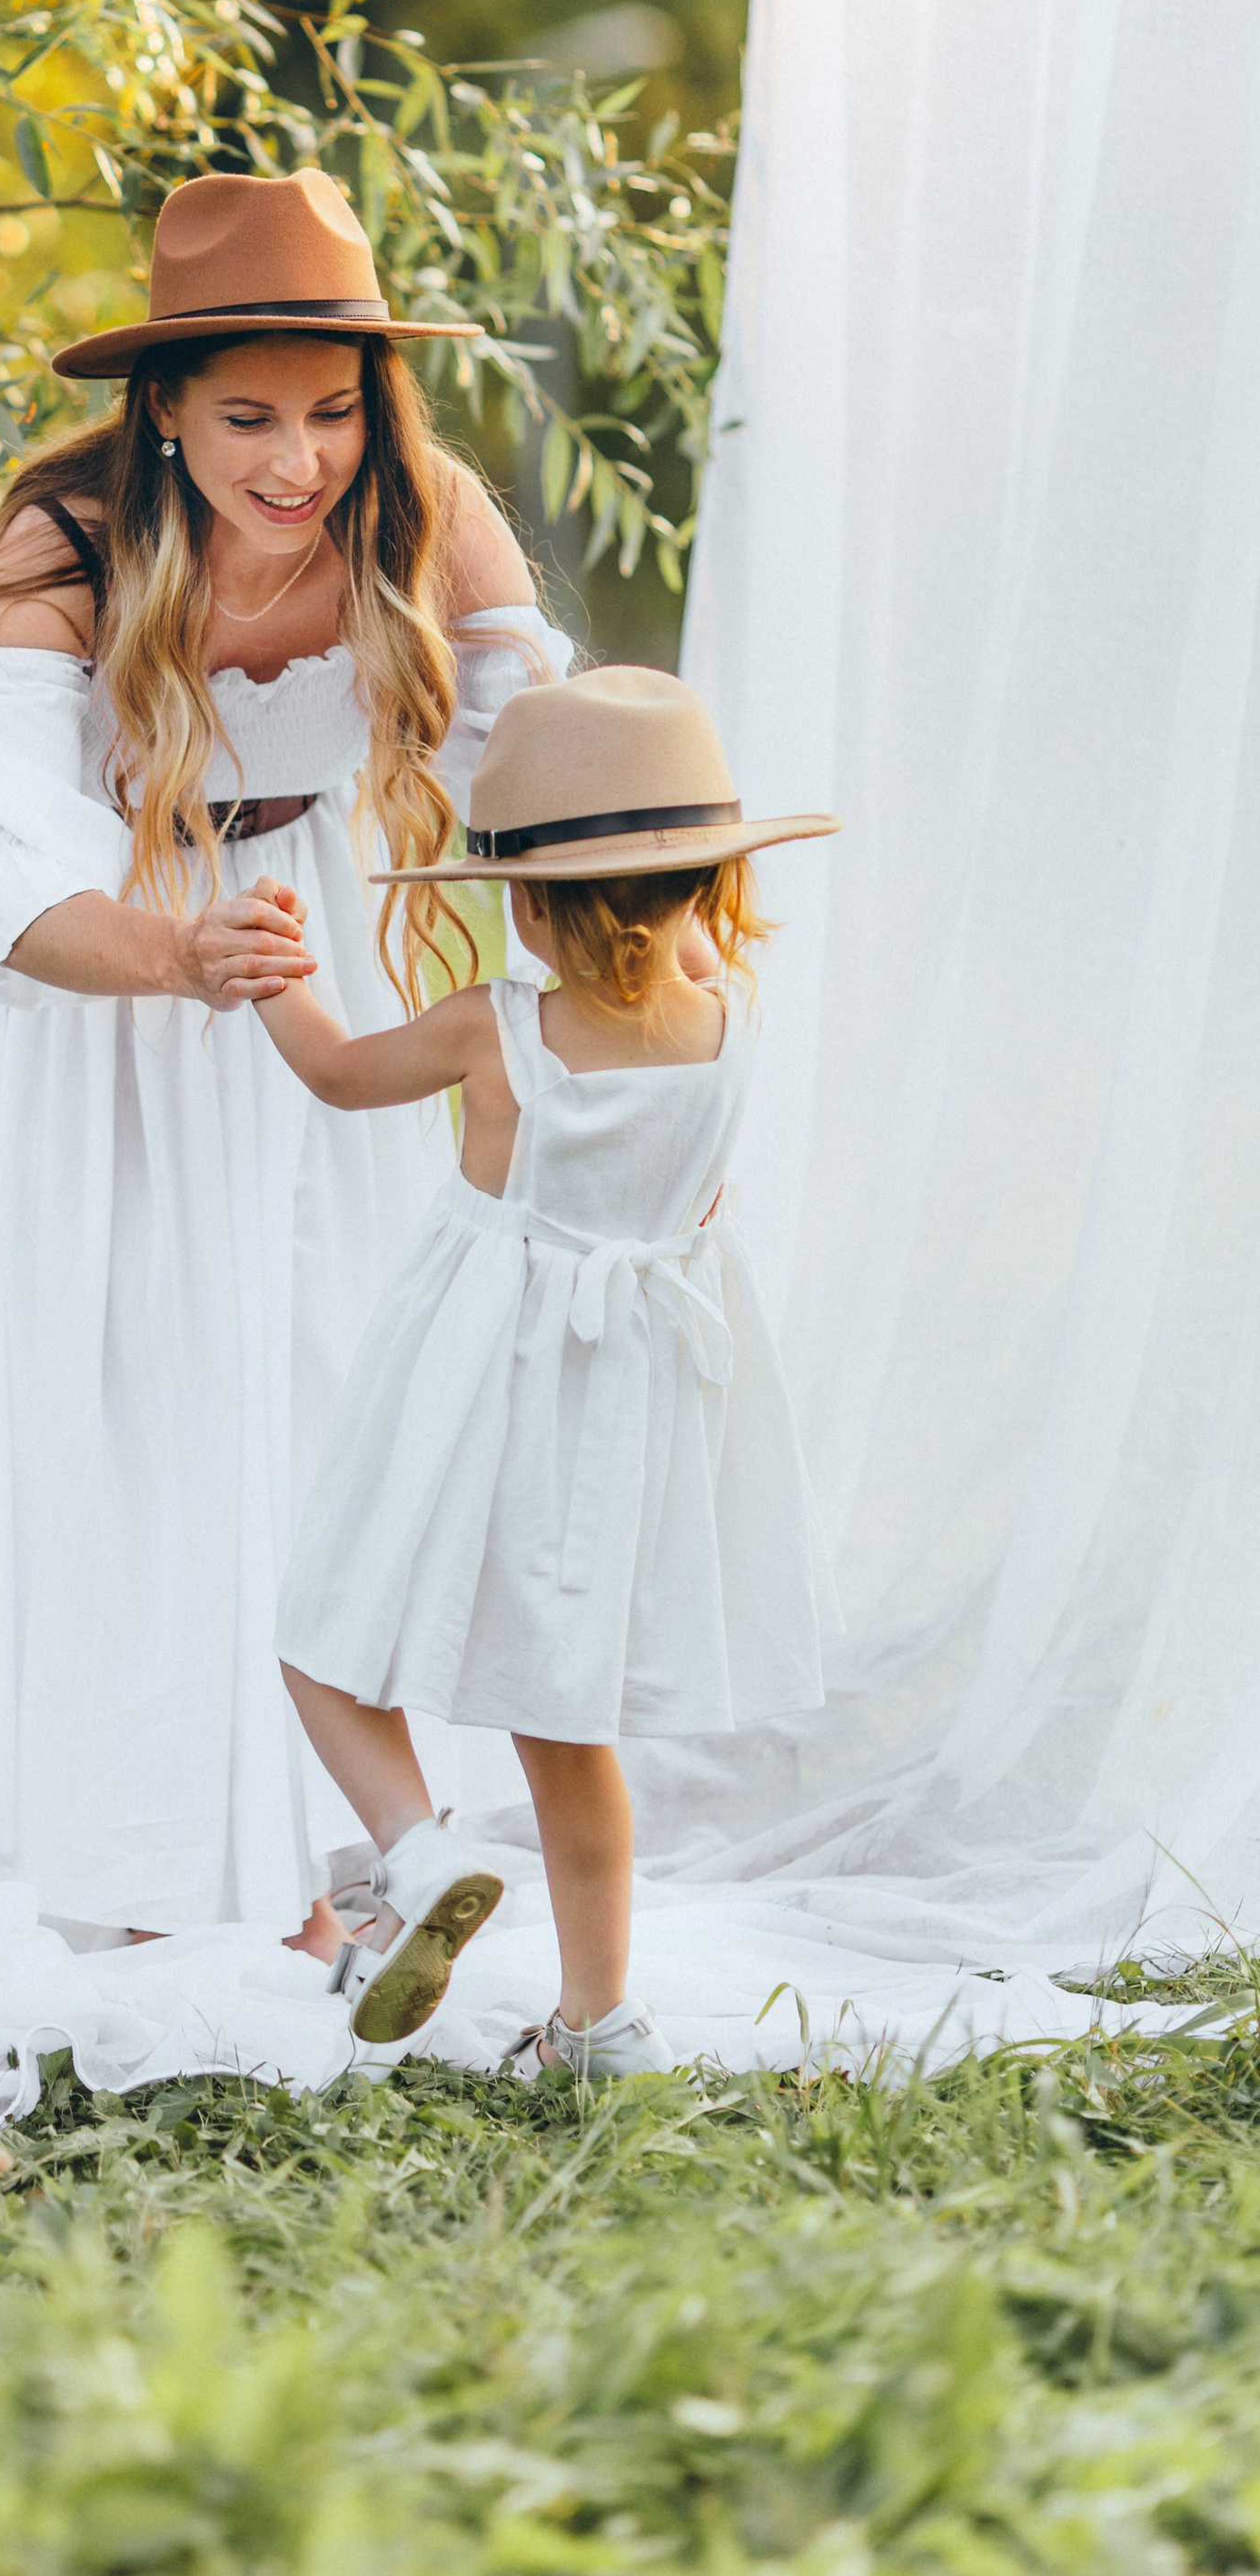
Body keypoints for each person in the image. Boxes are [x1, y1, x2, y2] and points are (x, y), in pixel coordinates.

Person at [0, 166, 570, 1947]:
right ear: (162, 409)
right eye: (249, 414)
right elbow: (15, 880)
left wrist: (635, 1006)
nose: (298, 459)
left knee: (332, 1376)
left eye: (331, 412)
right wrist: (172, 952)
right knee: (139, 1396)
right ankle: (173, 1871)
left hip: (300, 938)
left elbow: (543, 788)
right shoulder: (62, 558)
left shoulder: (424, 522)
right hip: (92, 975)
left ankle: (351, 1857)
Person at [251, 666, 840, 2066]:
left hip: (477, 1397)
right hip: (627, 1422)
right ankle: (601, 2019)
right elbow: (678, 949)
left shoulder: (497, 1030)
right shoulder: (728, 1014)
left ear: (519, 899)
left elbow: (336, 1073)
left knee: (328, 1638)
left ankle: (410, 1855)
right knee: (567, 1733)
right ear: (705, 885)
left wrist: (276, 970)